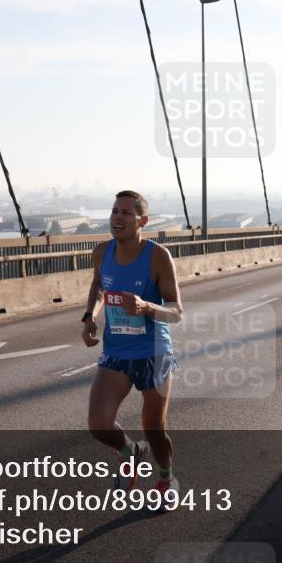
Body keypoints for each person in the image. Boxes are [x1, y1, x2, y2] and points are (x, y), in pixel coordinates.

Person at [81, 190, 183, 509]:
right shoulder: (101, 252)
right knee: (98, 424)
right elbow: (99, 287)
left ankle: (166, 478)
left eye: (126, 213)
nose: (117, 217)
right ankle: (131, 452)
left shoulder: (157, 257)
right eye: (114, 211)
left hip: (154, 353)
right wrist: (89, 317)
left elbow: (176, 312)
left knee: (154, 429)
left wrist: (146, 307)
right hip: (117, 353)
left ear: (143, 221)